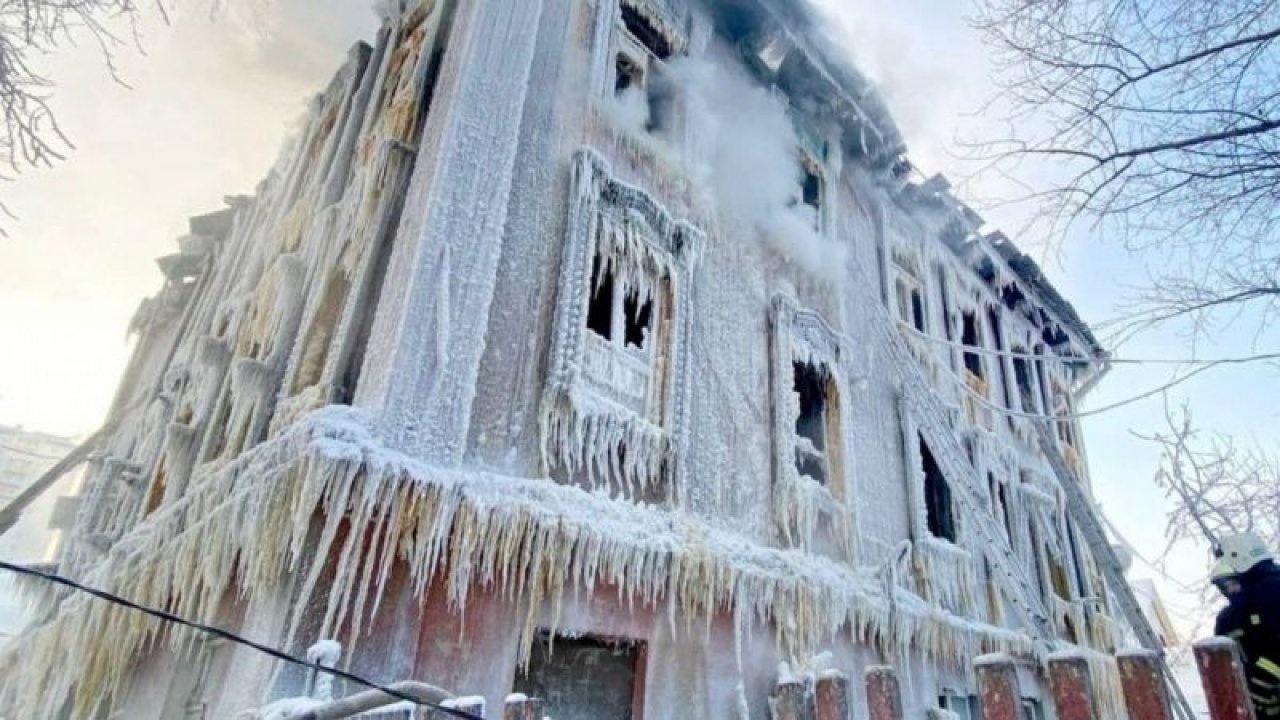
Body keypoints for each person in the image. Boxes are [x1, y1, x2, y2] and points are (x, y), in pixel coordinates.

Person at [1213, 532, 1280, 717]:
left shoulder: (1270, 591)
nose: (1231, 590)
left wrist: (1265, 675)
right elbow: (1221, 665)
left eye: (1232, 583)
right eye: (1225, 585)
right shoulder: (1227, 619)